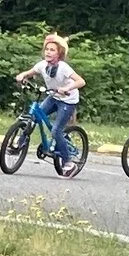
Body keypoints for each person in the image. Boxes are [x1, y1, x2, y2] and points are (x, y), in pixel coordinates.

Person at [15, 33, 84, 165]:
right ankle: (18, 145)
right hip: (53, 96)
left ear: (59, 54)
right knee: (34, 117)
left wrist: (67, 88)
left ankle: (67, 161)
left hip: (67, 101)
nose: (48, 52)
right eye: (47, 49)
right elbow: (29, 72)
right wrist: (22, 75)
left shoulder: (64, 68)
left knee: (56, 130)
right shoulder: (42, 65)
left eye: (52, 50)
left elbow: (81, 81)